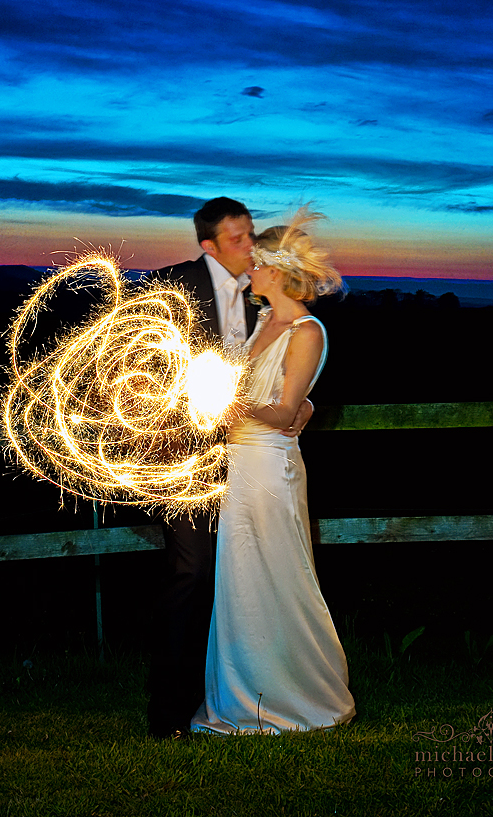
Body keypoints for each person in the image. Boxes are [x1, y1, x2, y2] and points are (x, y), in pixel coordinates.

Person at [146, 197, 314, 739]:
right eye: (237, 239)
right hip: (188, 460)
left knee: (243, 578)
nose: (250, 246)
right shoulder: (167, 284)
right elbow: (138, 363)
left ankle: (245, 692)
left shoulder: (267, 303)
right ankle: (171, 713)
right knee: (192, 573)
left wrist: (307, 404)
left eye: (250, 235)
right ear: (208, 245)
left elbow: (299, 357)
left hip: (252, 459)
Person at [190, 210, 355, 735]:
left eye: (257, 263)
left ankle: (301, 695)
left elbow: (286, 413)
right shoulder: (264, 321)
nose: (250, 271)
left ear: (278, 272)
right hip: (238, 465)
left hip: (269, 464)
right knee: (242, 579)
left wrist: (224, 404)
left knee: (277, 573)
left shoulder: (307, 331)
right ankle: (246, 692)